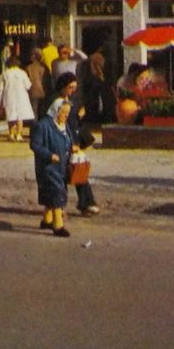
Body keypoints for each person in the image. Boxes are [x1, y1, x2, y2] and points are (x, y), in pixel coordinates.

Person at [30, 72, 77, 236]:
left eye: (67, 114)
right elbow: (35, 145)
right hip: (48, 167)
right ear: (56, 111)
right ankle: (58, 225)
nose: (65, 116)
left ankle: (47, 219)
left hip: (61, 166)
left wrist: (72, 147)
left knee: (54, 192)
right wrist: (49, 155)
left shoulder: (63, 126)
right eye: (63, 113)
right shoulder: (43, 125)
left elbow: (68, 138)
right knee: (57, 193)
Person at [59, 72, 101, 216]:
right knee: (61, 175)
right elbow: (60, 124)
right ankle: (58, 206)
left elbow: (74, 122)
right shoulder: (55, 102)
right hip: (62, 143)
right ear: (63, 87)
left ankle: (86, 202)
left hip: (74, 141)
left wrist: (79, 115)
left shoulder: (72, 100)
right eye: (70, 87)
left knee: (79, 171)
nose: (73, 90)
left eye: (74, 87)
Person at [0, 54, 35, 141]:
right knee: (20, 116)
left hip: (9, 96)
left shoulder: (5, 73)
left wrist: (1, 99)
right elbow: (28, 85)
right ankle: (19, 134)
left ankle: (11, 134)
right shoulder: (22, 73)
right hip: (21, 96)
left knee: (11, 115)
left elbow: (1, 88)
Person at [26, 52, 48, 116]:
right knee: (42, 111)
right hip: (43, 92)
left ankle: (35, 125)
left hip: (32, 92)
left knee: (34, 111)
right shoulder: (44, 68)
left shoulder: (28, 68)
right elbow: (47, 81)